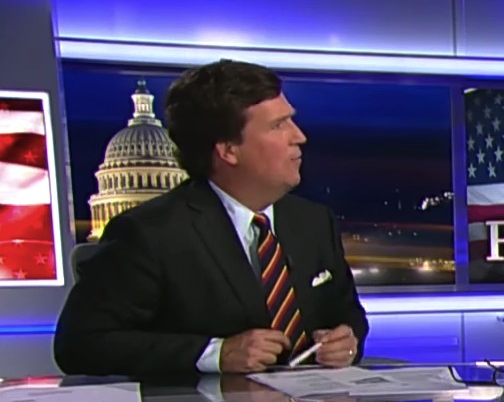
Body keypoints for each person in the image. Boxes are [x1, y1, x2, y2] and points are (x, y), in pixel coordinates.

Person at [55, 60, 368, 377]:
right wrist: (215, 353)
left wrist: (347, 341)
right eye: (278, 126)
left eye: (292, 121)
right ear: (229, 151)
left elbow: (349, 317)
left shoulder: (314, 222)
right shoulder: (150, 232)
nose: (299, 136)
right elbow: (81, 345)